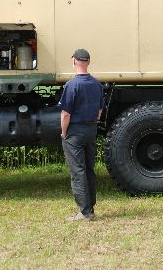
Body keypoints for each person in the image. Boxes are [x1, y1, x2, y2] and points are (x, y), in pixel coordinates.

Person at [59, 48, 104, 221]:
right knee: (89, 170)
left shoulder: (72, 85)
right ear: (88, 62)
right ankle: (90, 207)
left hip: (75, 132)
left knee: (78, 171)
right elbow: (99, 111)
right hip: (91, 129)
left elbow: (65, 114)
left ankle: (84, 212)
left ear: (73, 61)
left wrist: (64, 133)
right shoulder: (97, 84)